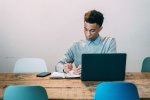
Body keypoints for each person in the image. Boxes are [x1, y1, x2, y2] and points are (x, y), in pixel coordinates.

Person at [55, 10, 116, 75]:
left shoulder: (109, 42)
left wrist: (89, 69)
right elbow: (58, 65)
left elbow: (112, 67)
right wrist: (64, 68)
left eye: (92, 31)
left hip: (102, 82)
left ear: (100, 29)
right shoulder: (76, 46)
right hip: (80, 84)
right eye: (85, 29)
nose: (88, 34)